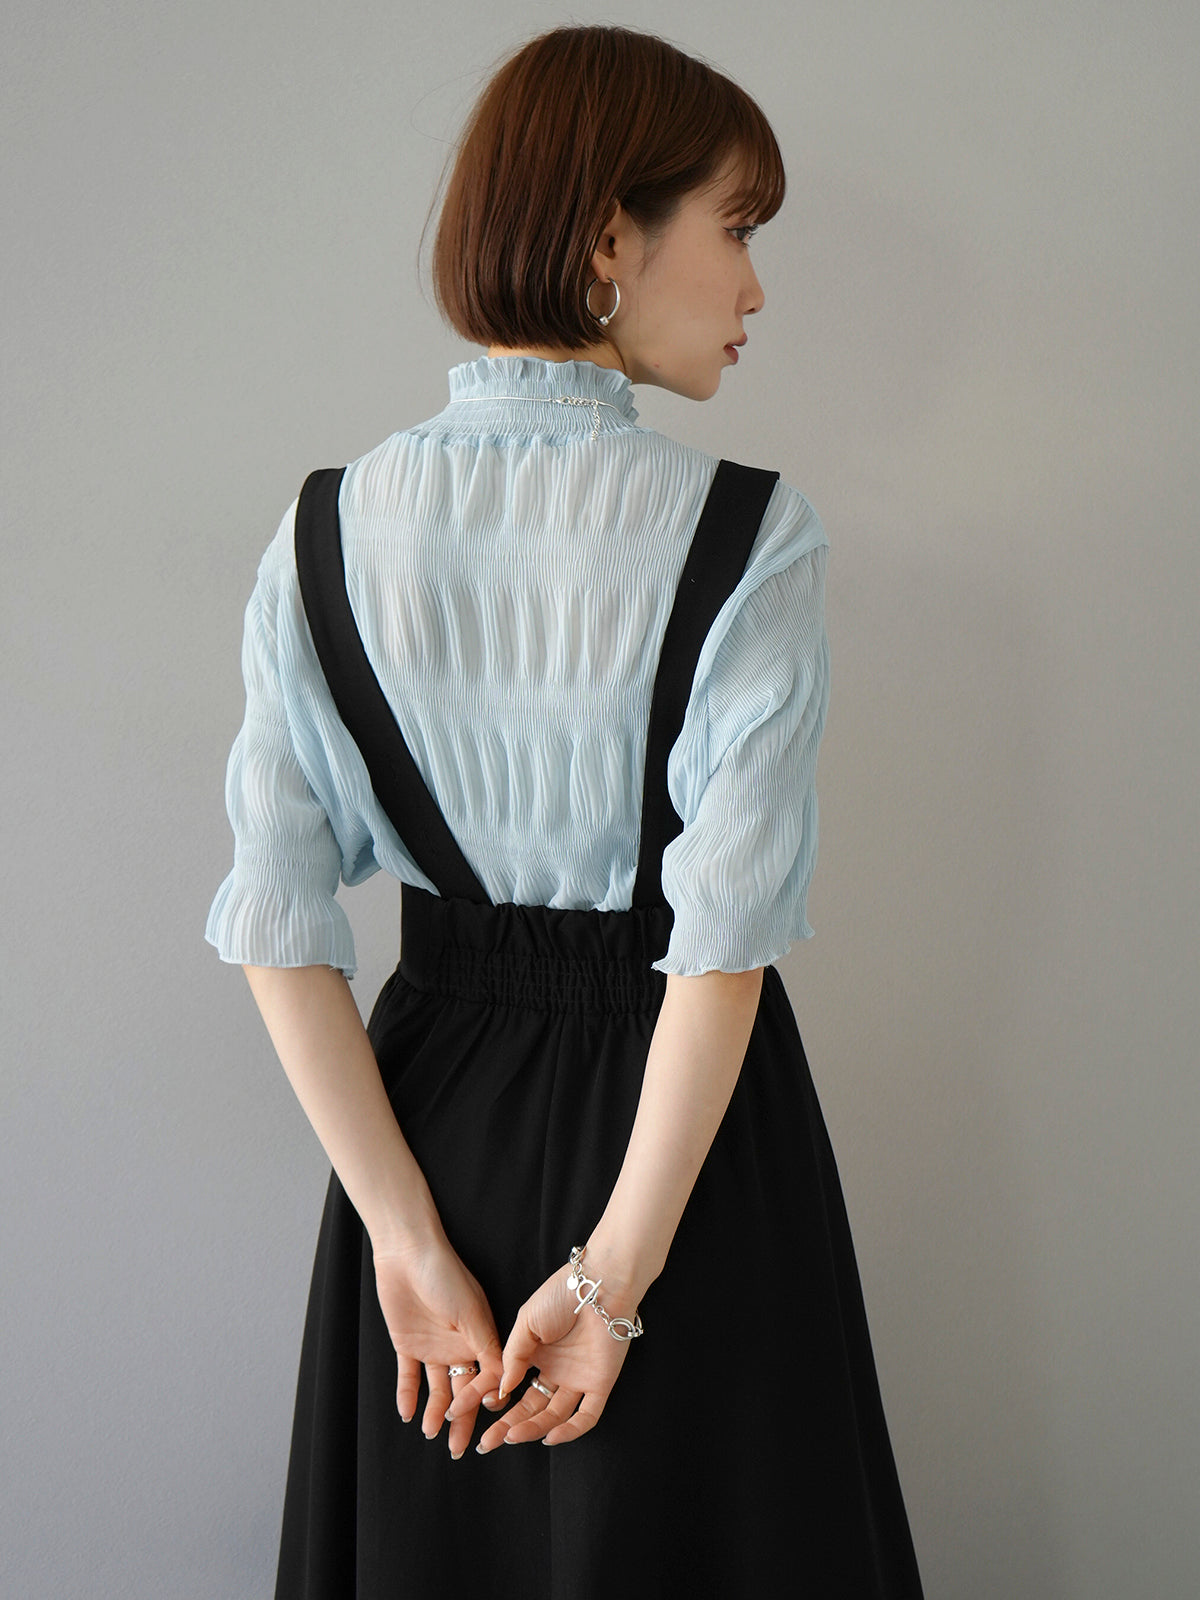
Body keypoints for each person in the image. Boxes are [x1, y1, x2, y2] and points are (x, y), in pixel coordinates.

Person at [204, 22, 925, 1600]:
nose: (755, 287)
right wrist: (612, 1286)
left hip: (429, 1127)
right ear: (609, 237)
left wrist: (406, 1241)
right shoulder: (750, 535)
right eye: (736, 228)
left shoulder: (326, 529)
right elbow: (716, 952)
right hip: (684, 1151)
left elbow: (279, 926)